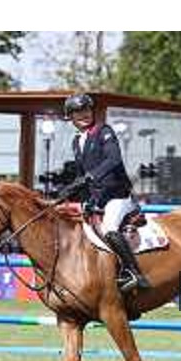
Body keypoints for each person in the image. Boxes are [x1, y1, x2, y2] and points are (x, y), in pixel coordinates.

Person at [61, 93, 150, 292]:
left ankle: (135, 273)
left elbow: (114, 160)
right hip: (97, 199)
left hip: (117, 195)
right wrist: (68, 191)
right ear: (71, 117)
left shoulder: (104, 131)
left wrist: (91, 176)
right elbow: (81, 175)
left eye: (86, 110)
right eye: (78, 112)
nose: (84, 114)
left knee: (109, 229)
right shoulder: (77, 142)